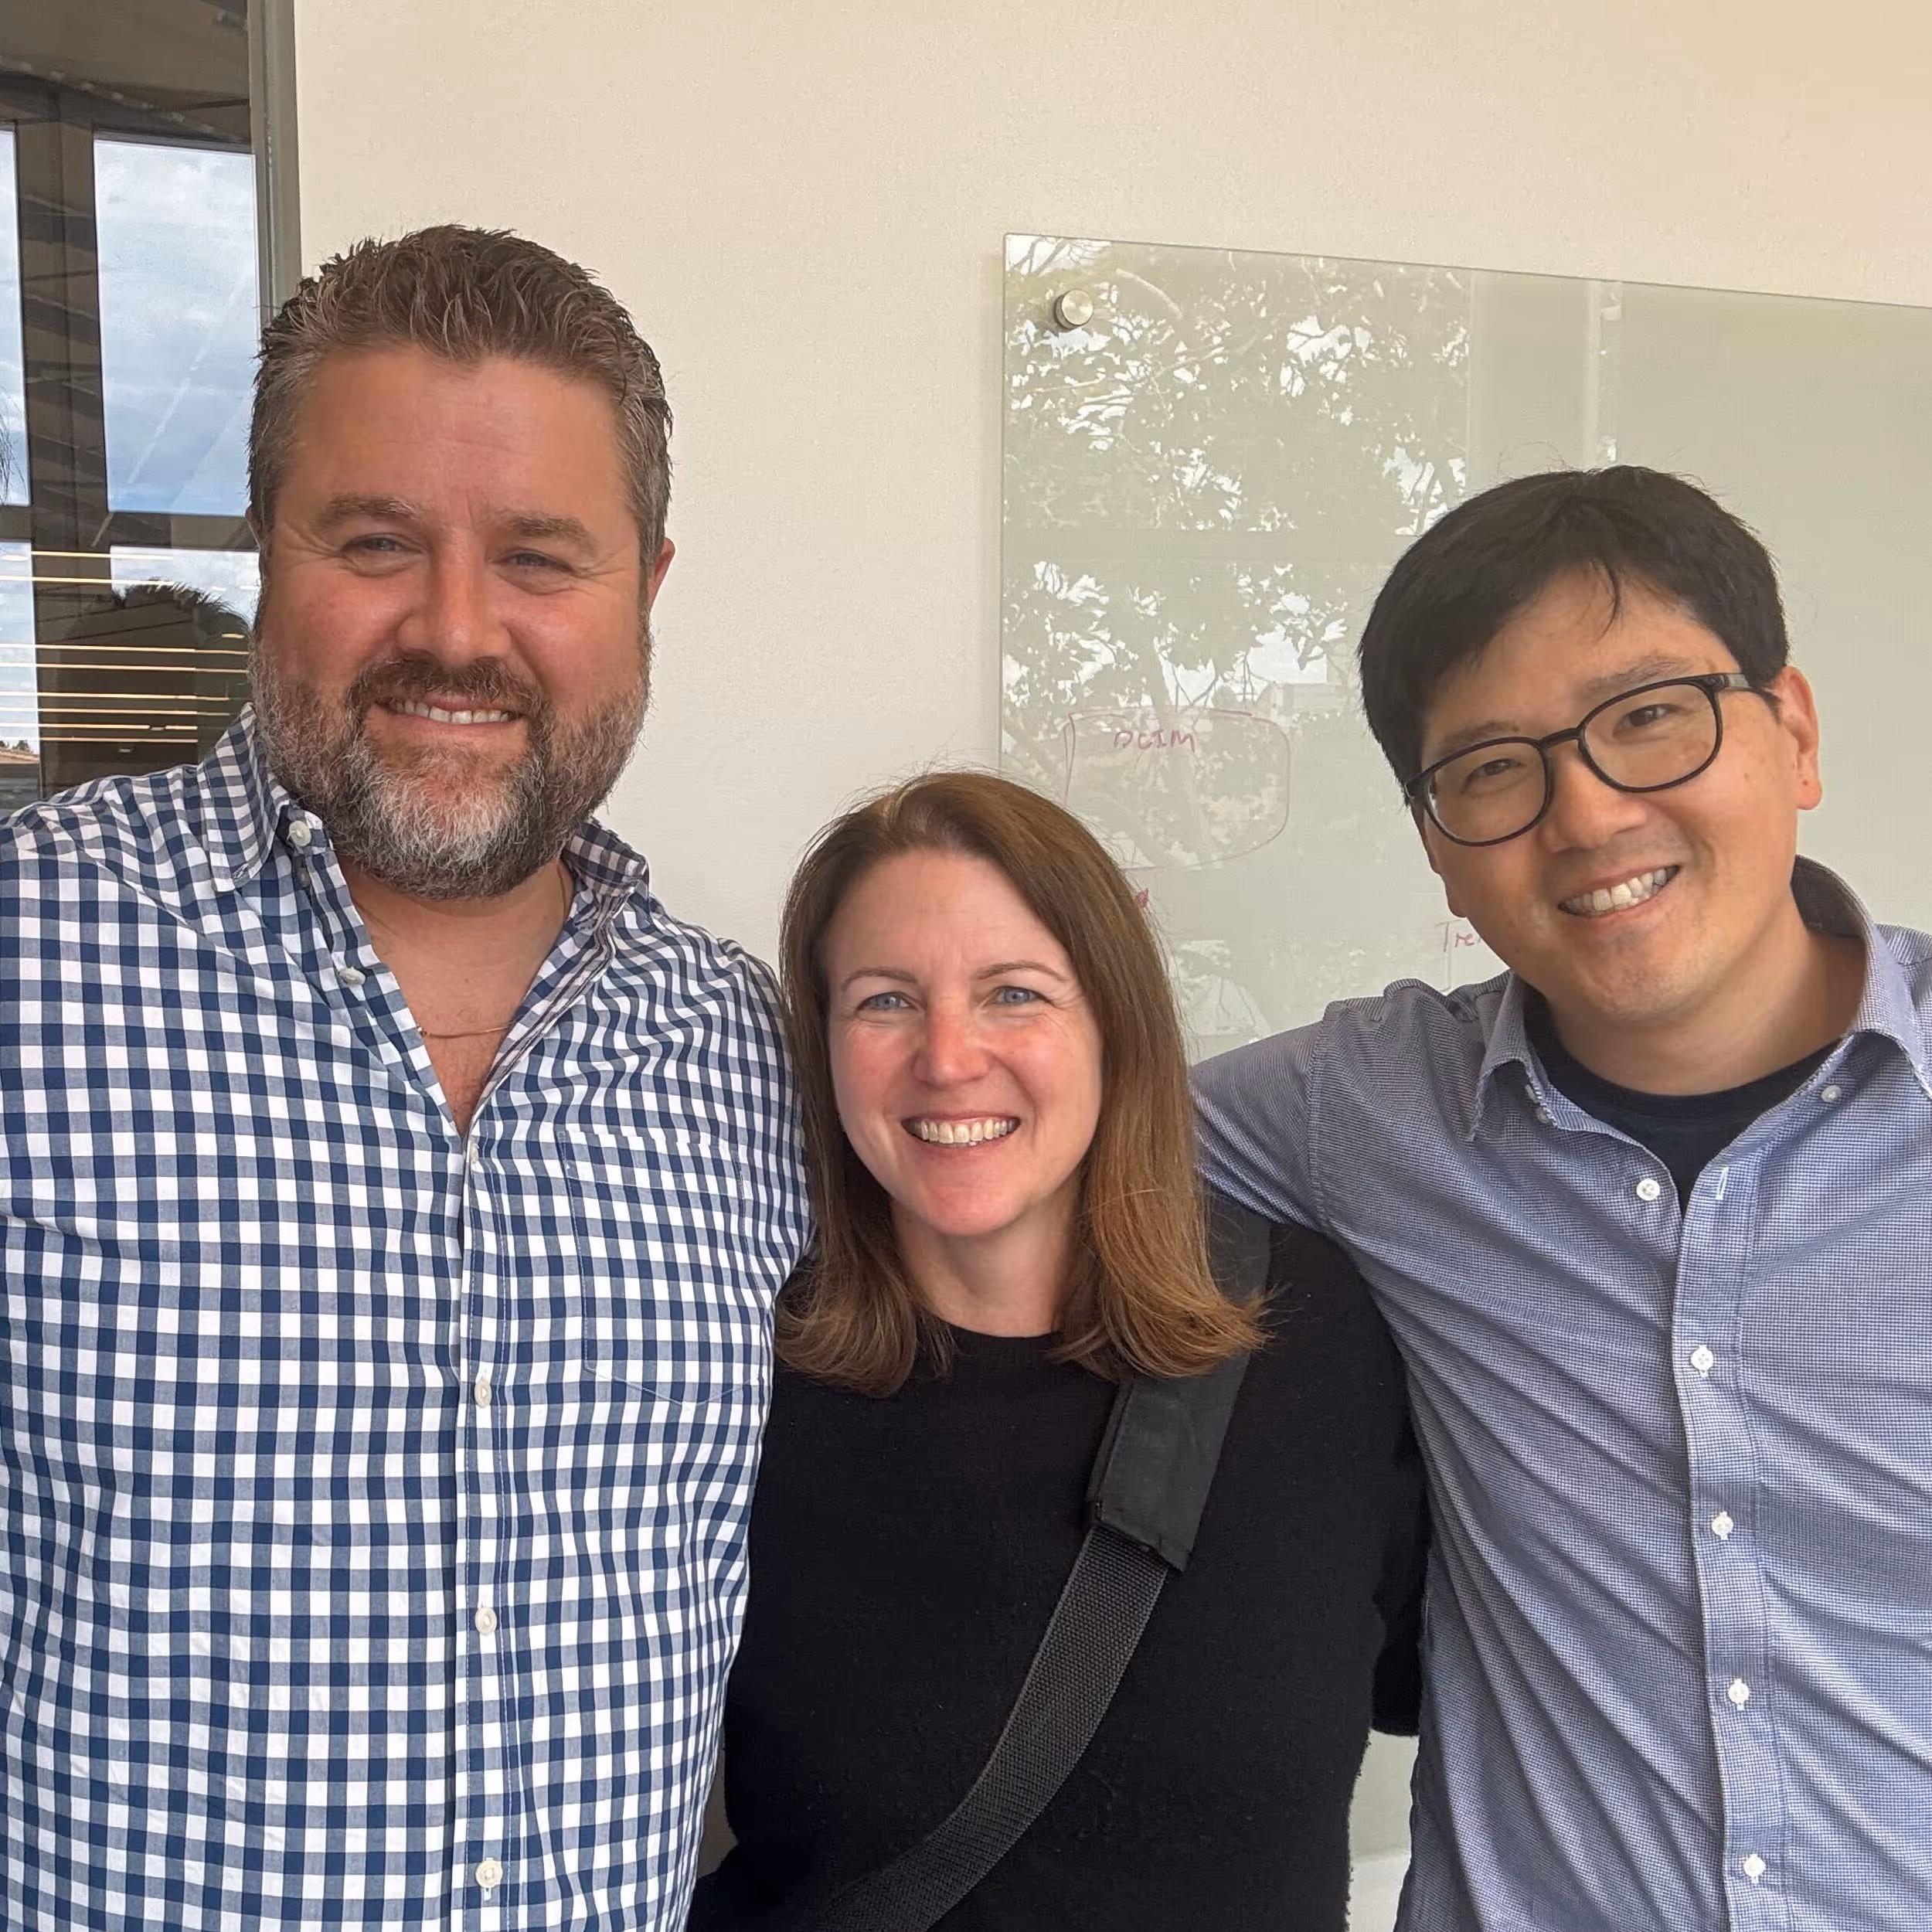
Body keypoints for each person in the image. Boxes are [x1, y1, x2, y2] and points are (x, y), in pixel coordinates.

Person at [0, 226, 807, 1931]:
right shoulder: (28, 964)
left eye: (538, 557)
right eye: (375, 541)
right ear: (263, 553)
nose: (456, 630)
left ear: (644, 590)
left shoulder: (749, 1051)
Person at [1195, 464, 1932, 1931]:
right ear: (1437, 852)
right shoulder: (1373, 1112)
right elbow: (1020, 1128)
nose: (1587, 815)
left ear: (1792, 731)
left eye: (1649, 716)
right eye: (1492, 768)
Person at [689, 772, 1424, 1931]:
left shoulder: (1312, 1331)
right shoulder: (750, 1378)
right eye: (884, 1001)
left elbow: (1428, 1682)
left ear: (1113, 1019)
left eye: (1014, 993)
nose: (947, 1056)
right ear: (821, 1044)